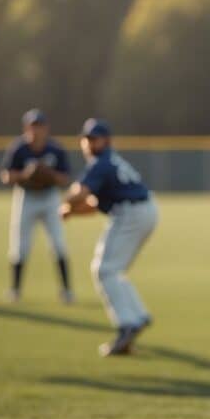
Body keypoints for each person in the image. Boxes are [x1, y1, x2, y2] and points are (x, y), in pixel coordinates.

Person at [60, 118, 156, 357]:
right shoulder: (108, 162)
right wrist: (71, 211)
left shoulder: (101, 163)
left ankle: (128, 324)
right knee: (113, 270)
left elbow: (80, 193)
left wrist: (61, 203)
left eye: (94, 138)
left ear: (106, 141)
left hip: (131, 213)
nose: (90, 143)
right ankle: (138, 316)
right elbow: (92, 205)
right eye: (87, 139)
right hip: (144, 210)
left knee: (104, 270)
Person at [0, 108, 73, 304]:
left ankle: (66, 291)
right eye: (33, 126)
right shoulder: (18, 148)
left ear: (46, 128)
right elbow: (6, 175)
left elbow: (65, 178)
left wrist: (47, 174)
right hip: (26, 197)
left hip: (49, 197)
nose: (36, 130)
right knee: (19, 245)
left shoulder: (55, 149)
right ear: (26, 128)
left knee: (58, 244)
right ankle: (15, 290)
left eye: (39, 126)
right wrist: (26, 174)